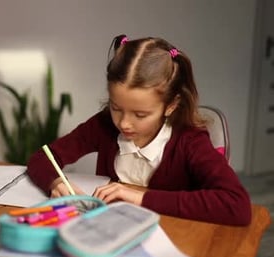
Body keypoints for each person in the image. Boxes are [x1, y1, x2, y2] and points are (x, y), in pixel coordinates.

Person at [26, 34, 251, 226]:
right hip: (110, 232)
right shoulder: (104, 125)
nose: (124, 123)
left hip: (173, 240)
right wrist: (55, 183)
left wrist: (140, 198)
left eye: (140, 115)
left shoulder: (190, 141)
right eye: (116, 108)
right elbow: (42, 158)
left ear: (171, 105)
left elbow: (236, 205)